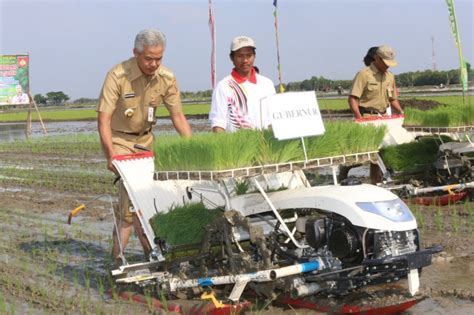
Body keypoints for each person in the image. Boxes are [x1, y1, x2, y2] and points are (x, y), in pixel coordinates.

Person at [97, 29, 192, 265]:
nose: (154, 64)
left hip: (146, 141)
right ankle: (117, 259)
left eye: (159, 58)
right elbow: (103, 120)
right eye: (149, 58)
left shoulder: (167, 77)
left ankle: (152, 254)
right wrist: (111, 157)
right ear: (136, 53)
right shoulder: (118, 76)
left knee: (150, 201)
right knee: (128, 208)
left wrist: (193, 149)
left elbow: (178, 117)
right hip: (120, 141)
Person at [209, 36, 276, 132]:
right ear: (231, 58)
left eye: (249, 55)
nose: (245, 60)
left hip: (265, 144)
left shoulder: (267, 84)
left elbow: (273, 120)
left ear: (254, 56)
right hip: (237, 145)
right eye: (240, 56)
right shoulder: (224, 86)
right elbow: (218, 124)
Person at [348, 45, 404, 119]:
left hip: (385, 116)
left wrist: (401, 112)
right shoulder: (363, 74)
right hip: (367, 116)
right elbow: (352, 99)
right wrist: (359, 118)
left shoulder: (390, 76)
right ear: (377, 58)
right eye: (385, 63)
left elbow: (392, 99)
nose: (387, 66)